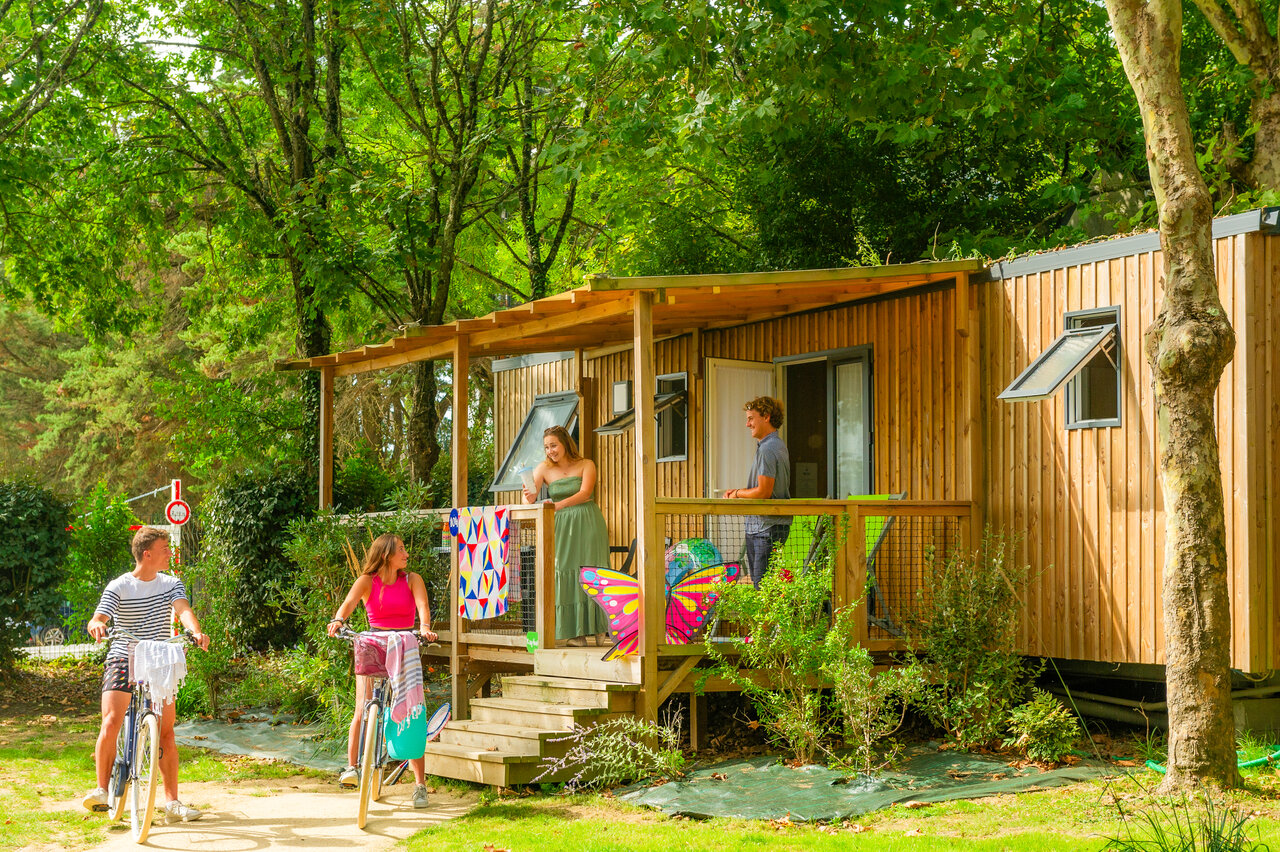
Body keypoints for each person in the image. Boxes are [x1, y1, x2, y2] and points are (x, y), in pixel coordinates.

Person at [82, 526, 211, 822]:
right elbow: (98, 618)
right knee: (111, 720)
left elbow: (183, 610)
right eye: (165, 548)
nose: (170, 553)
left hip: (158, 658)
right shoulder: (120, 585)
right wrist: (97, 625)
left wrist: (195, 631)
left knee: (166, 732)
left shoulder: (171, 583)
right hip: (123, 655)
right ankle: (101, 790)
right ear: (147, 553)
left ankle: (172, 804)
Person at [326, 533, 437, 809]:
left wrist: (424, 628)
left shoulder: (412, 579)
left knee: (411, 710)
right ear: (386, 554)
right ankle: (352, 767)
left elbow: (423, 607)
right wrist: (339, 620)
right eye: (401, 549)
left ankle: (419, 786)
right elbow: (349, 603)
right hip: (374, 643)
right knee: (362, 707)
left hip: (405, 644)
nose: (406, 554)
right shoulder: (367, 581)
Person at [521, 425, 609, 645]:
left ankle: (600, 627)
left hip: (588, 522)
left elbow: (585, 493)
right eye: (546, 447)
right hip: (561, 525)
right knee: (564, 570)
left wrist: (557, 505)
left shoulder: (586, 464)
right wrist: (528, 497)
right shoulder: (543, 468)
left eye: (554, 445)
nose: (550, 451)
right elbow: (528, 499)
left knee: (593, 569)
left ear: (565, 444)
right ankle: (575, 634)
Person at [725, 396, 792, 587]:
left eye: (751, 418)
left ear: (766, 417)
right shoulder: (775, 445)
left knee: (762, 587)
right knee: (763, 585)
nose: (747, 424)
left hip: (766, 528)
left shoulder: (768, 448)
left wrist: (737, 494)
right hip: (766, 526)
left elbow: (764, 492)